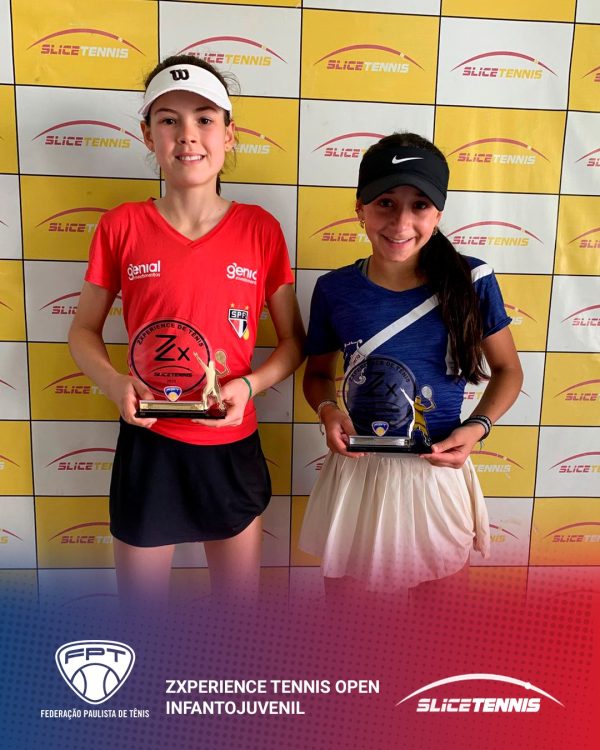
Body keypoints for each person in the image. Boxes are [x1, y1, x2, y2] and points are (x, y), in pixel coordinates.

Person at [68, 54, 305, 608]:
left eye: (204, 118)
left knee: (236, 615)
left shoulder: (261, 229)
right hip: (150, 445)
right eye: (169, 120)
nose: (187, 135)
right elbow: (83, 330)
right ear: (147, 135)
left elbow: (294, 342)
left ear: (229, 134)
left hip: (230, 446)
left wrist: (248, 386)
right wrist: (114, 383)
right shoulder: (121, 225)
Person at [298, 132, 522, 601]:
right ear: (360, 209)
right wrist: (327, 410)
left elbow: (508, 370)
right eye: (385, 203)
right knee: (347, 622)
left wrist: (477, 427)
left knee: (439, 624)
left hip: (436, 471)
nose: (401, 222)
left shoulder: (473, 279)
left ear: (438, 214)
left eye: (419, 205)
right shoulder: (334, 289)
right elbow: (317, 374)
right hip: (360, 473)